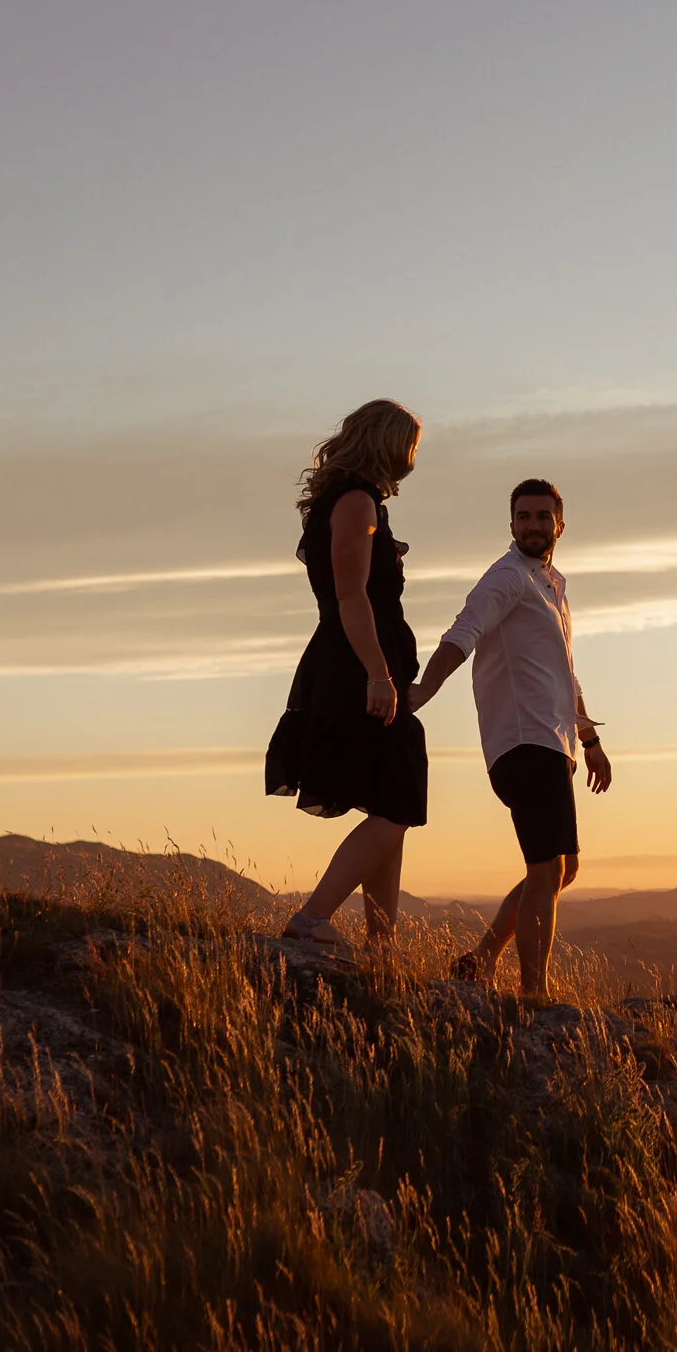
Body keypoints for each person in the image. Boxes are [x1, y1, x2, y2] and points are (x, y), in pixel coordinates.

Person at [414, 478, 611, 999]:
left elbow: (564, 672)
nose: (533, 525)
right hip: (523, 742)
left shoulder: (551, 585)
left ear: (559, 525)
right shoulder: (506, 578)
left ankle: (482, 958)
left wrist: (589, 739)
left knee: (564, 868)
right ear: (511, 525)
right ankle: (533, 995)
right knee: (545, 867)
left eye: (542, 517)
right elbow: (463, 632)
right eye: (523, 517)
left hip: (555, 743)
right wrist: (422, 691)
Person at [264, 399, 429, 955]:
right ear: (389, 445)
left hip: (358, 661)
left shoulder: (354, 501)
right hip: (358, 665)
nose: (411, 458)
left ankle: (383, 947)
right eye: (409, 445)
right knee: (400, 799)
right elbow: (350, 594)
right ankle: (311, 918)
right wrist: (379, 675)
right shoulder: (356, 502)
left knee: (391, 801)